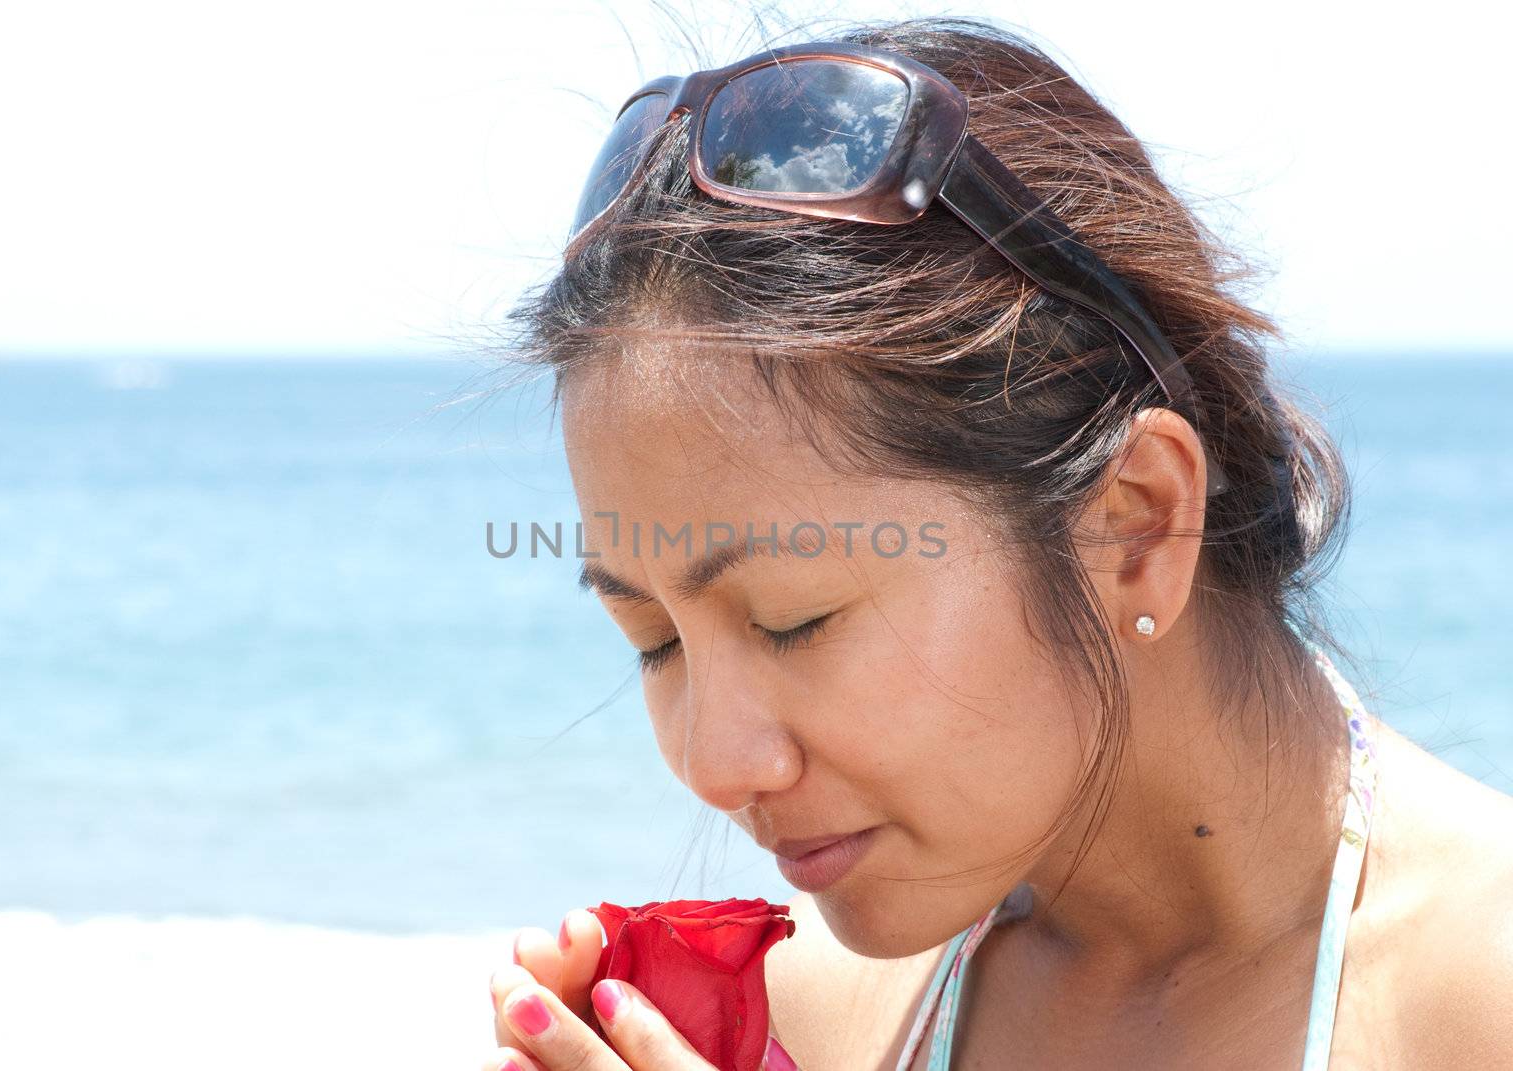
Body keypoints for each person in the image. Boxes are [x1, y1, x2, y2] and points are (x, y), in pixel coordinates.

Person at [480, 15, 1513, 1070]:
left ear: (1137, 524)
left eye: (794, 619)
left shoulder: (1480, 994)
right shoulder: (806, 1021)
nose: (712, 764)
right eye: (653, 639)